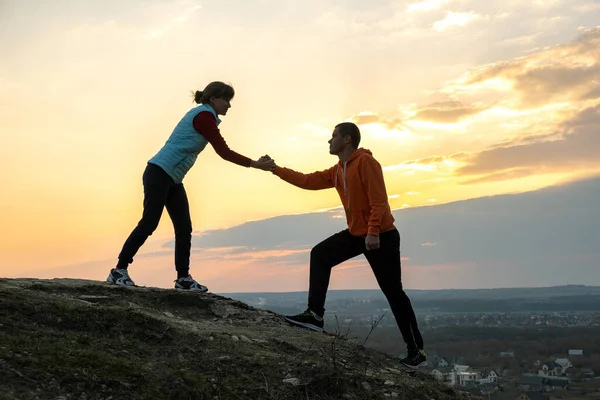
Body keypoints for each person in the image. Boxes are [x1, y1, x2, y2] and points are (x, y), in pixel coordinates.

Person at [260, 122, 427, 368]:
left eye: (333, 136)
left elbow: (379, 201)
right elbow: (307, 180)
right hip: (357, 233)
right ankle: (315, 315)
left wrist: (373, 233)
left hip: (382, 234)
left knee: (393, 293)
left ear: (347, 139)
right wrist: (275, 169)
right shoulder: (338, 170)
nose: (329, 140)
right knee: (320, 254)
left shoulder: (366, 163)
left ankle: (416, 352)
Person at [107, 81, 275, 292]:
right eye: (226, 100)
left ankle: (183, 278)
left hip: (173, 178)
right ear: (214, 98)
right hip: (159, 172)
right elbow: (223, 151)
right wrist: (255, 164)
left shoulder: (206, 117)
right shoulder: (204, 117)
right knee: (149, 222)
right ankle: (119, 270)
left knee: (184, 228)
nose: (229, 106)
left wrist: (255, 164)